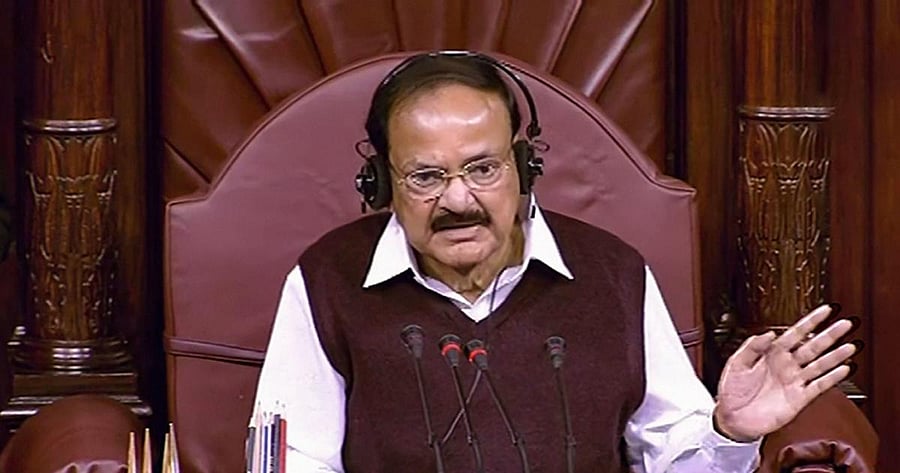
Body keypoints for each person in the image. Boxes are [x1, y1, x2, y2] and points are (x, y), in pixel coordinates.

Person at [253, 52, 856, 472]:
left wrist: (731, 433)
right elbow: (293, 462)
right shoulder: (327, 281)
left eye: (483, 169)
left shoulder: (612, 274)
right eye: (426, 177)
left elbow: (672, 458)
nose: (458, 200)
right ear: (382, 181)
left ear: (525, 167)